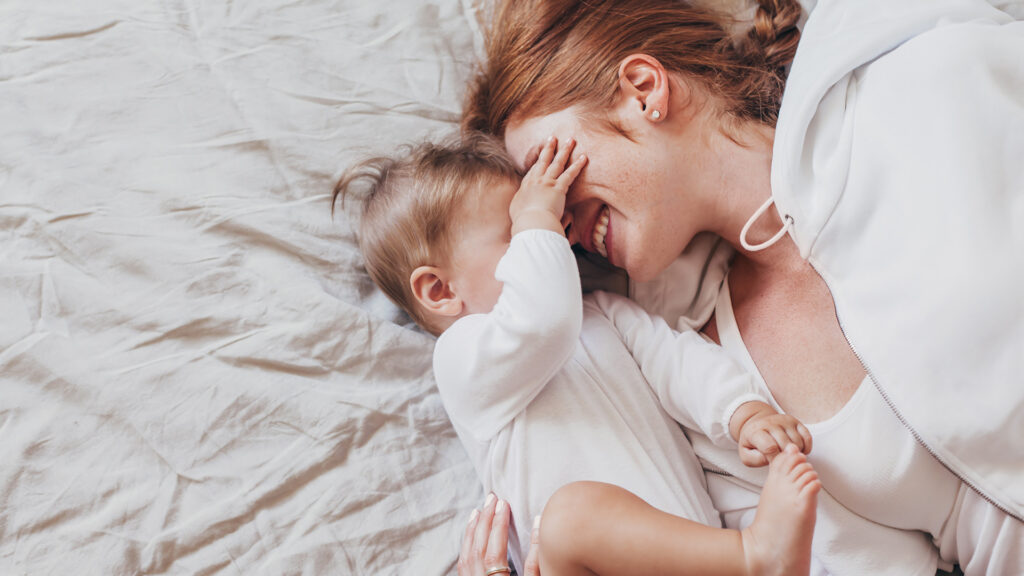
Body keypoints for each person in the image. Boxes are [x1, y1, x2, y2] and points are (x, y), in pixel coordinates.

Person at [461, 0, 1024, 574]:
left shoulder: (912, 85)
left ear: (642, 88)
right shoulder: (718, 391)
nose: (560, 224)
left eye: (550, 170)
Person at [333, 133, 821, 575]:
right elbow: (542, 320)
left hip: (688, 558)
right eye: (515, 231)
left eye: (547, 222)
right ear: (440, 290)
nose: (554, 233)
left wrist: (740, 411)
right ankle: (754, 556)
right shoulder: (463, 358)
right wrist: (536, 219)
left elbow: (677, 361)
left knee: (574, 515)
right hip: (581, 561)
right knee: (567, 519)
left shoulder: (604, 313)